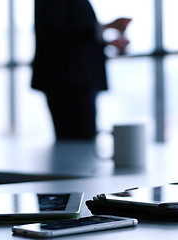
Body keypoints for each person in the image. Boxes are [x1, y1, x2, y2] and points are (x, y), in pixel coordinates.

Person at [33, 0, 131, 140]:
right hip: (67, 82)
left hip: (77, 80)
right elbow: (55, 34)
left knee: (82, 139)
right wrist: (107, 27)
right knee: (76, 141)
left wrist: (107, 42)